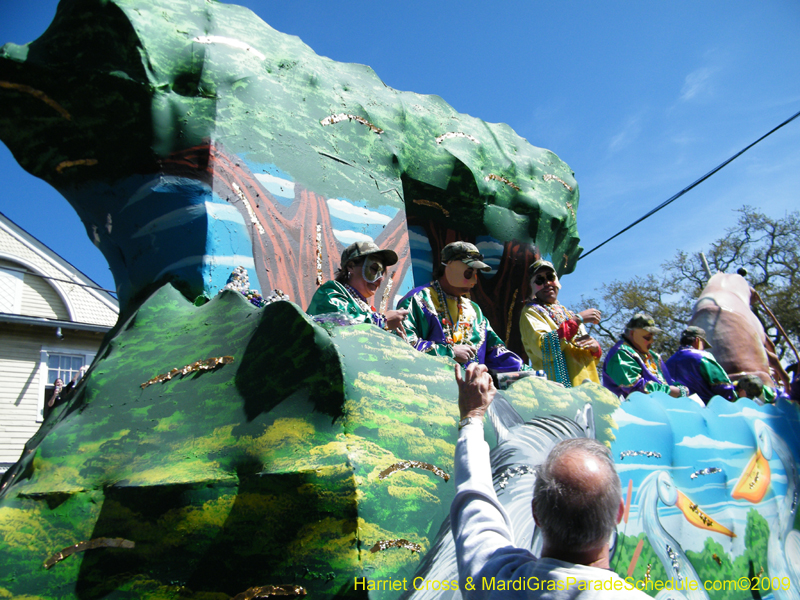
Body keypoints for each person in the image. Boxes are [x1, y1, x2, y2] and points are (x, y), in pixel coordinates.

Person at [452, 363, 650, 599]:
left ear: (536, 512)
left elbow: (475, 502)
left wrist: (472, 417)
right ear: (619, 513)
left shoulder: (495, 581)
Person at [396, 241, 526, 372]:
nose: (474, 281)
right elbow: (401, 343)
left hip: (468, 389)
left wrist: (525, 371)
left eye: (475, 274)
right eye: (468, 273)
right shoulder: (418, 300)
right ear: (449, 267)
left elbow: (495, 351)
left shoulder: (474, 310)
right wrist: (449, 352)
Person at [519, 259, 602, 386]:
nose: (547, 283)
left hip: (588, 387)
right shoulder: (531, 311)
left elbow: (586, 359)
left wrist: (595, 349)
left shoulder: (569, 314)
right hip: (560, 391)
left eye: (550, 277)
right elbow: (544, 349)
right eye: (539, 280)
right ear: (532, 286)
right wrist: (576, 321)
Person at [306, 241, 408, 334]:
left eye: (381, 273)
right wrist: (382, 321)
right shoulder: (329, 294)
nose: (379, 279)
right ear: (351, 266)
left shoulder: (367, 310)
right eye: (373, 269)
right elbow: (339, 325)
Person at [602, 313, 688, 399]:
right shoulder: (620, 353)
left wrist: (680, 388)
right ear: (632, 334)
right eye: (647, 338)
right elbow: (635, 388)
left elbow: (666, 381)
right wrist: (670, 391)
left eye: (653, 337)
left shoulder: (653, 356)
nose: (652, 341)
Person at [664, 326, 736, 403]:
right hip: (705, 409)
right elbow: (724, 387)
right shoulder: (703, 357)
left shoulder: (669, 361)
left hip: (677, 409)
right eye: (704, 345)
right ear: (697, 341)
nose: (703, 349)